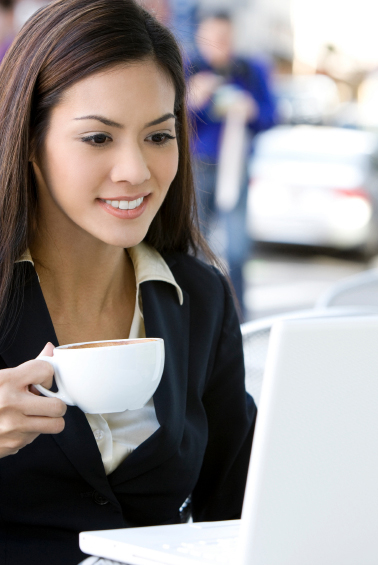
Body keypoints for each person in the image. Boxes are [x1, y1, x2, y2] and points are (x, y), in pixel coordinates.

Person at [0, 1, 256, 564]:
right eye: (97, 138)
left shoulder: (199, 297)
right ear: (29, 140)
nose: (136, 172)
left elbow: (240, 505)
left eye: (159, 136)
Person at [188, 11, 277, 317]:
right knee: (195, 245)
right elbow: (167, 123)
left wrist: (251, 110)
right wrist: (191, 102)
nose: (218, 46)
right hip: (197, 168)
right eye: (210, 39)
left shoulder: (250, 72)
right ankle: (196, 312)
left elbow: (271, 115)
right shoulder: (189, 71)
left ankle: (238, 315)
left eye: (223, 39)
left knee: (238, 247)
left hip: (236, 166)